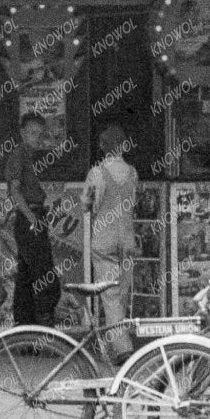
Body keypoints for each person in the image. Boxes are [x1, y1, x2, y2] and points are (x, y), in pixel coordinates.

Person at [81, 123, 138, 362]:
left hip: (103, 240)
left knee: (111, 296)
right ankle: (119, 342)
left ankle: (123, 349)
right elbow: (133, 203)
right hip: (126, 239)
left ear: (103, 147)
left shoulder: (97, 173)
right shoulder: (132, 172)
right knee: (121, 293)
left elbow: (86, 204)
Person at [3, 111, 62, 327]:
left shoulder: (28, 156)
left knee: (26, 277)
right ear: (22, 133)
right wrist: (32, 219)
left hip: (34, 216)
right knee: (45, 275)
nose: (37, 138)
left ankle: (24, 329)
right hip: (30, 217)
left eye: (40, 134)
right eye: (33, 133)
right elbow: (14, 191)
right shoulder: (18, 156)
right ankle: (43, 323)